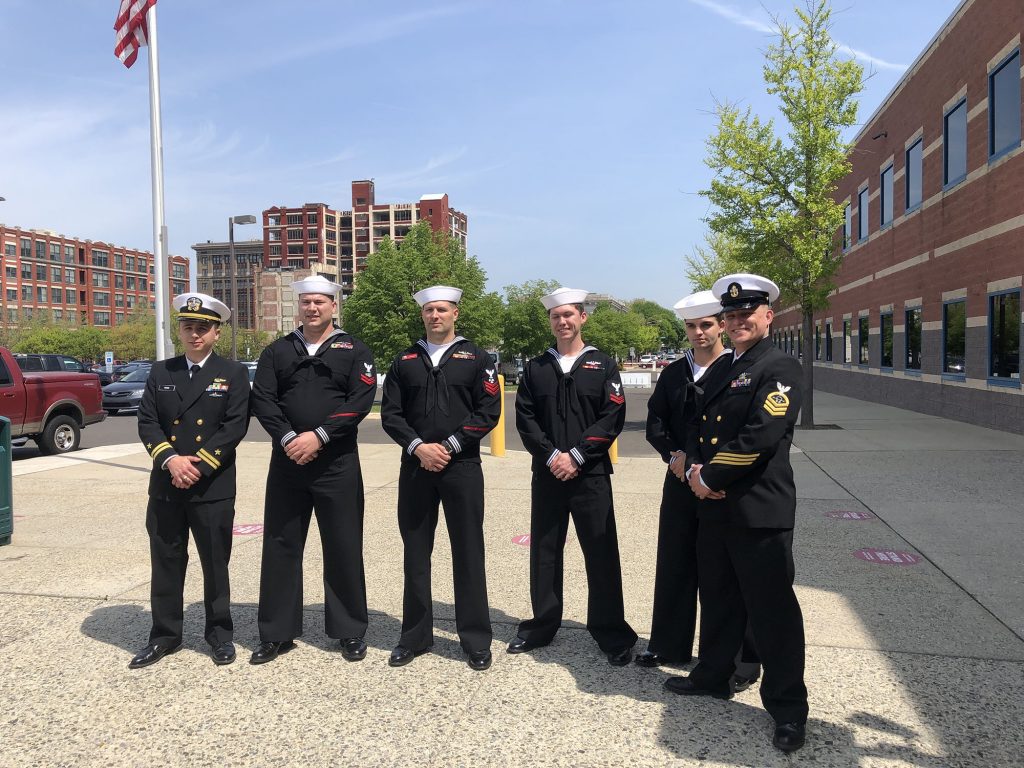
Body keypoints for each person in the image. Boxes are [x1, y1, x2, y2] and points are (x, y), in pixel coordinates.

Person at [664, 273, 808, 754]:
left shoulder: (779, 366)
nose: (737, 320)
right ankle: (712, 674)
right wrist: (689, 464)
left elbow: (761, 435)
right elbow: (699, 423)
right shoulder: (728, 367)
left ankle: (787, 709)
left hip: (757, 509)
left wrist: (709, 477)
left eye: (747, 312)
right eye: (730, 315)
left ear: (768, 315)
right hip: (715, 509)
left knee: (773, 613)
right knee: (719, 599)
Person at [250, 275, 376, 665]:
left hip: (336, 463)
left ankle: (349, 630)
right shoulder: (278, 351)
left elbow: (360, 401)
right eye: (306, 302)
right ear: (298, 307)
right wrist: (289, 438)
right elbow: (264, 400)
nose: (313, 308)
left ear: (333, 306)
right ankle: (277, 632)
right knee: (281, 544)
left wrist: (319, 436)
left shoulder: (355, 350)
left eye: (320, 302)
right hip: (288, 462)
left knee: (342, 544)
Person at [508, 286, 637, 665]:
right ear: (550, 322)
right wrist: (552, 457)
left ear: (583, 317)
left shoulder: (603, 365)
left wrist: (577, 455)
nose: (562, 322)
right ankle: (542, 625)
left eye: (569, 315)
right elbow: (526, 420)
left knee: (600, 552)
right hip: (548, 474)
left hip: (591, 473)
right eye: (555, 316)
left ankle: (611, 632)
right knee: (545, 552)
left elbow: (612, 415)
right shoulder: (535, 368)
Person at [381, 285, 502, 671]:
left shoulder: (478, 358)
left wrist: (448, 446)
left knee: (468, 551)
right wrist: (419, 447)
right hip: (416, 467)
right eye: (430, 310)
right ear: (423, 315)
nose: (436, 316)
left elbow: (487, 411)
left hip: (461, 467)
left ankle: (476, 639)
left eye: (443, 310)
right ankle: (414, 637)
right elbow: (391, 415)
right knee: (416, 552)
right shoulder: (405, 360)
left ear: (455, 314)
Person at [131, 292, 251, 669]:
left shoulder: (232, 373)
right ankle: (164, 636)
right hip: (167, 484)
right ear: (178, 331)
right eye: (188, 327)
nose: (194, 334)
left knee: (215, 563)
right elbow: (147, 421)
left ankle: (219, 635)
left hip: (211, 485)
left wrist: (198, 465)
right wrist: (170, 460)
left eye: (203, 328)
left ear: (216, 333)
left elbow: (234, 426)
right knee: (166, 561)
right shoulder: (161, 371)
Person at [636, 290, 734, 668]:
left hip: (716, 484)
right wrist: (674, 456)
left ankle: (718, 656)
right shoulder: (675, 372)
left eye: (706, 324)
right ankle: (667, 645)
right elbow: (655, 422)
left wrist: (704, 467)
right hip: (678, 480)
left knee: (718, 571)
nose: (699, 332)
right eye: (691, 326)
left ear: (721, 325)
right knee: (674, 563)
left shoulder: (734, 369)